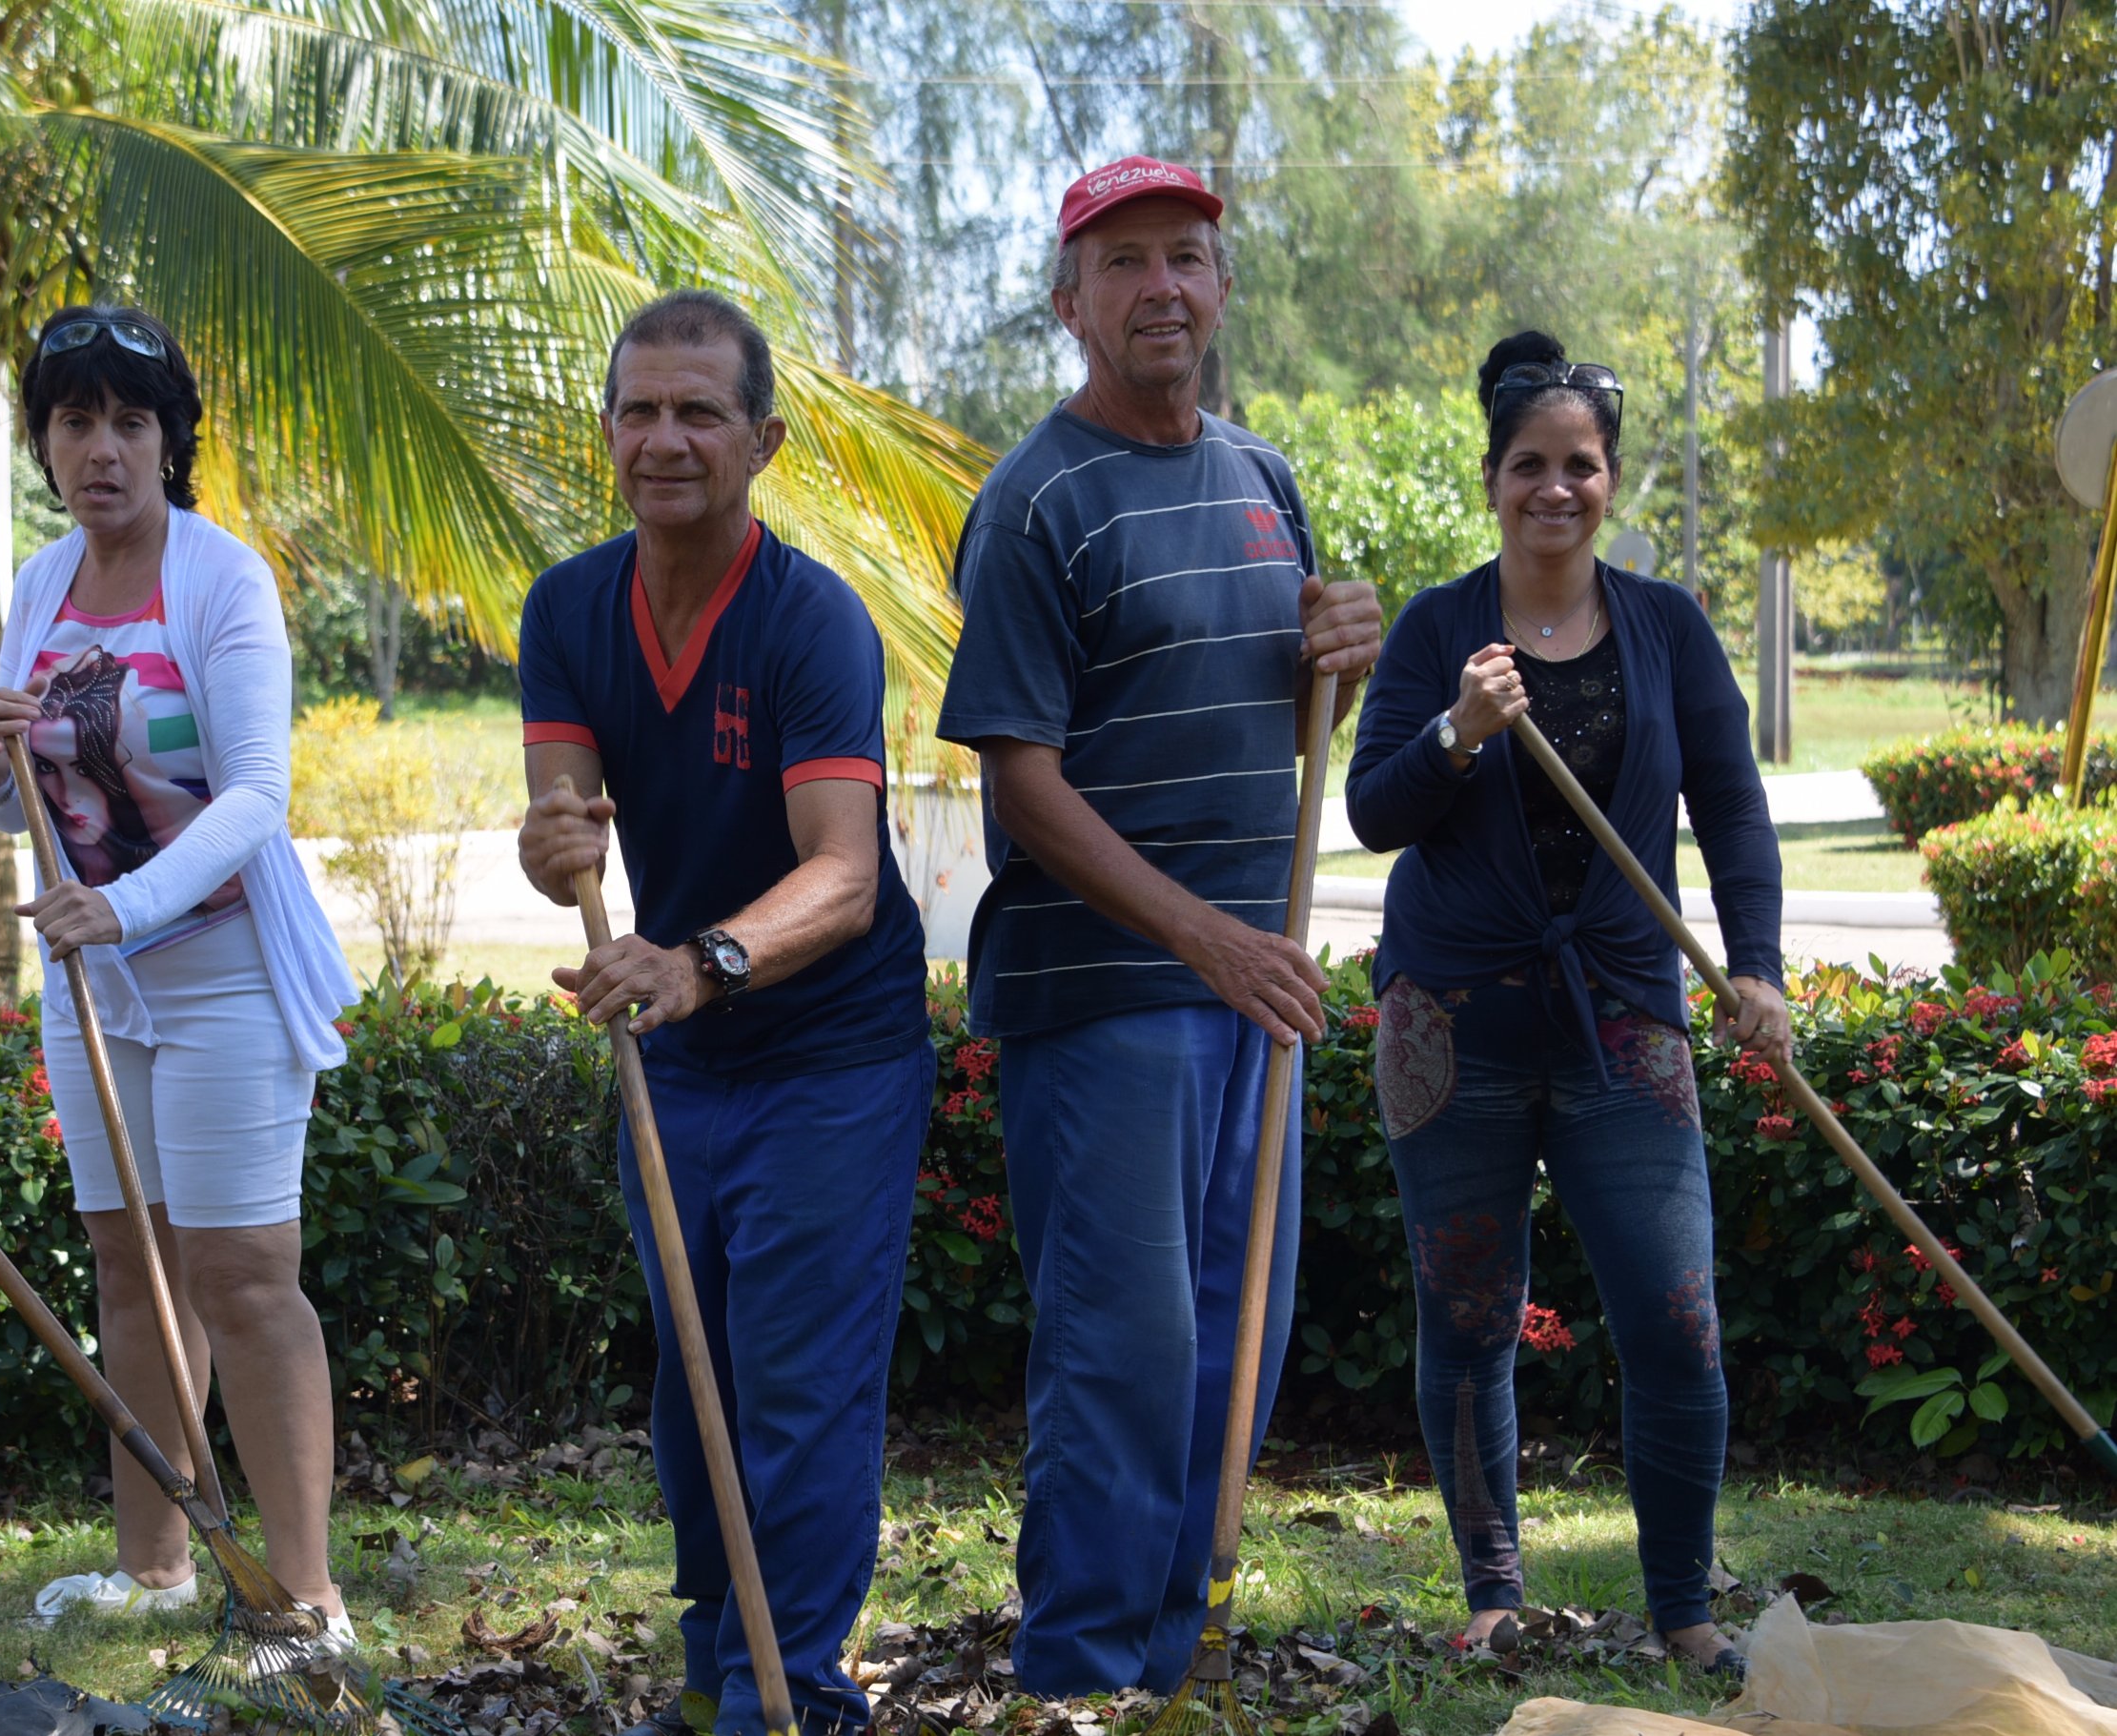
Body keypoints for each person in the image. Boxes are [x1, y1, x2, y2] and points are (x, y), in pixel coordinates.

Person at [931, 155, 1383, 1696]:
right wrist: (1204, 938)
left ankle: (1165, 1653)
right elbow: (1023, 783)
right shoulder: (1031, 503)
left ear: (1221, 286)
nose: (1159, 288)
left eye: (1184, 256)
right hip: (1110, 990)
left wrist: (1349, 655)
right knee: (1119, 1354)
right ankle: (1073, 1672)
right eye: (1121, 262)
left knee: (1228, 1348)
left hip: (1251, 984)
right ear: (1068, 303)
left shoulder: (1264, 481)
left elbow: (1293, 721)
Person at [513, 289, 935, 1736]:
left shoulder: (810, 618)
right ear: (609, 432)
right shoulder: (568, 606)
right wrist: (548, 847)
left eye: (698, 411)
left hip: (830, 1049)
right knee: (700, 1382)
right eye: (638, 409)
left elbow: (845, 874)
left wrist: (700, 961)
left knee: (798, 1386)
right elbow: (560, 812)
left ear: (761, 438)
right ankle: (716, 1667)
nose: (664, 437)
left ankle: (793, 1692)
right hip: (680, 1057)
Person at [1343, 331, 1784, 1677]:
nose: (1554, 486)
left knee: (1672, 1313)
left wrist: (1753, 965)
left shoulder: (1663, 627)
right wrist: (1454, 732)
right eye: (1528, 463)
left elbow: (1730, 807)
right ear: (1491, 480)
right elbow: (1374, 811)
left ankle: (1681, 1606)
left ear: (1608, 479)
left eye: (1578, 464)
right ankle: (1491, 1593)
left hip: (1622, 1018)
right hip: (1450, 1025)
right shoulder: (1435, 631)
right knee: (1469, 1319)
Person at [0, 305, 360, 1639]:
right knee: (127, 1268)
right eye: (75, 420)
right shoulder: (37, 585)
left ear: (170, 440)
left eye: (130, 420)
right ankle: (155, 1569)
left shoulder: (221, 577)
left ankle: (305, 1598)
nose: (102, 448)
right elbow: (26, 802)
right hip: (98, 989)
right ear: (48, 441)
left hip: (223, 971)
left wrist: (119, 906)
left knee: (241, 1273)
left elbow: (256, 797)